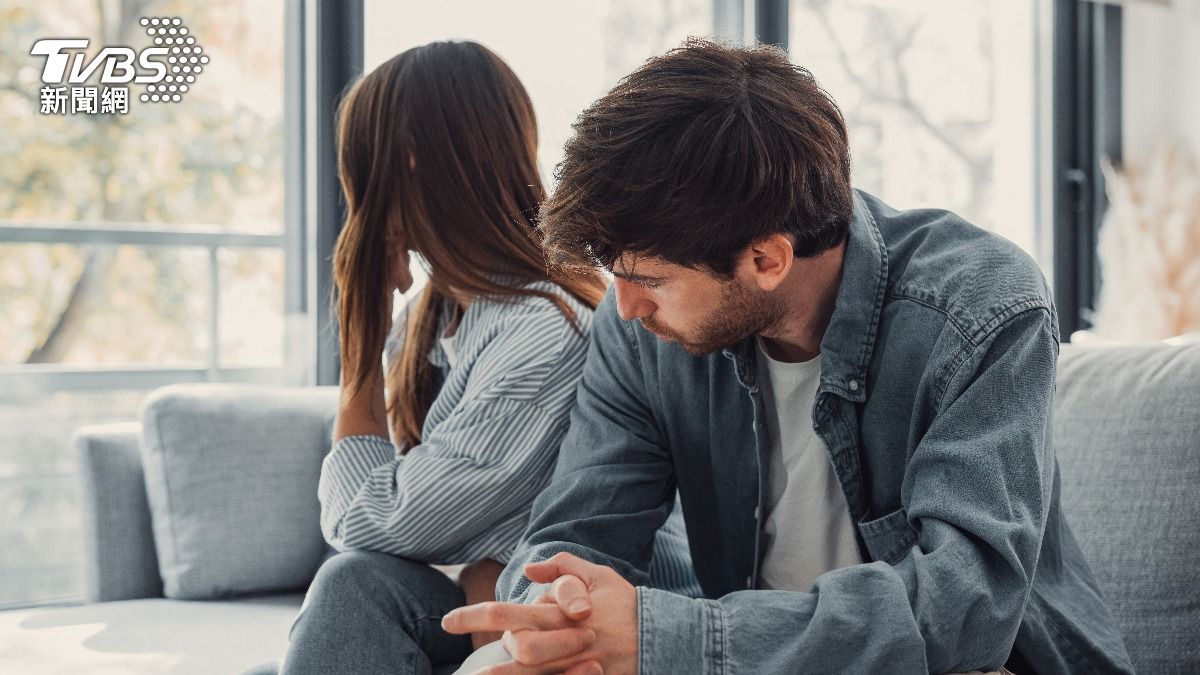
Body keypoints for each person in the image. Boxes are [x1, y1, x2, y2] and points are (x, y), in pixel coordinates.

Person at [442, 39, 1135, 674]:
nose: (624, 307)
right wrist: (562, 608)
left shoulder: (980, 307)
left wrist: (675, 637)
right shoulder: (641, 336)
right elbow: (575, 527)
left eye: (649, 279)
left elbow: (966, 610)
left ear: (768, 258)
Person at [278, 40, 698, 675]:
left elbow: (376, 521)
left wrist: (359, 347)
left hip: (601, 624)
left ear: (410, 164)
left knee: (353, 586)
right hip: (503, 605)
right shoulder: (435, 318)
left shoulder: (542, 331)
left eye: (358, 170)